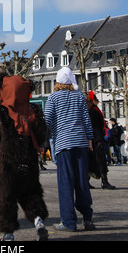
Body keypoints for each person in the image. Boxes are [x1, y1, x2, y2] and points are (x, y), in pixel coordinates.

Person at [0, 74, 48, 242]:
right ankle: (38, 222)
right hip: (29, 160)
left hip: (8, 162)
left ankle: (8, 233)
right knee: (31, 193)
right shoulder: (34, 110)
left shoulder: (1, 112)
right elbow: (41, 133)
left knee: (6, 197)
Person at [44, 67, 95, 232]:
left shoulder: (53, 98)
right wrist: (90, 140)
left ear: (57, 82)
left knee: (66, 184)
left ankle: (68, 222)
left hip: (63, 144)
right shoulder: (79, 96)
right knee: (82, 182)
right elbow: (86, 120)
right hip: (81, 142)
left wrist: (40, 141)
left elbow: (47, 121)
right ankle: (87, 218)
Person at [86, 92, 115, 190]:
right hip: (96, 138)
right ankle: (104, 181)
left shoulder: (92, 110)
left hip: (94, 138)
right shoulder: (93, 111)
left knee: (92, 160)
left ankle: (87, 181)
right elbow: (95, 126)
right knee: (100, 160)